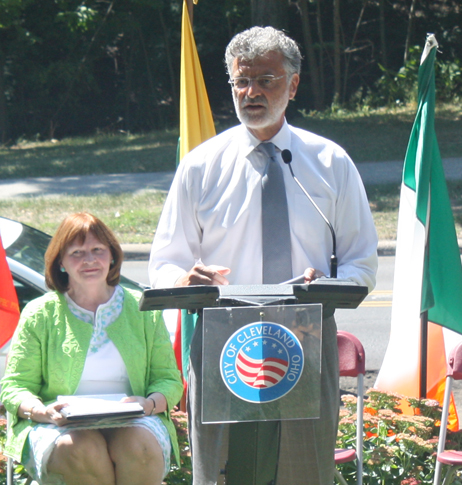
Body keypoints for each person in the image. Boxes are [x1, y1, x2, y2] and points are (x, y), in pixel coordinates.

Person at [149, 26, 378, 485]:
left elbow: (362, 265)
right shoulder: (200, 166)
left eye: (266, 80)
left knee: (303, 475)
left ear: (293, 85)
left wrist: (326, 287)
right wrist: (185, 281)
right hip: (222, 342)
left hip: (305, 339)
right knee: (223, 475)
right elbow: (163, 264)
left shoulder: (330, 163)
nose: (251, 92)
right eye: (241, 81)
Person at [1, 212, 183, 485]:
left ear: (112, 256)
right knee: (81, 450)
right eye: (76, 252)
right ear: (60, 262)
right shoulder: (40, 313)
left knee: (140, 447)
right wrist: (42, 411)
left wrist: (148, 404)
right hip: (57, 426)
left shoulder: (143, 308)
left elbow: (168, 379)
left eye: (97, 249)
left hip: (135, 420)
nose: (89, 260)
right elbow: (14, 387)